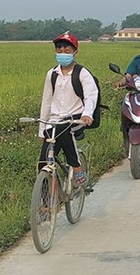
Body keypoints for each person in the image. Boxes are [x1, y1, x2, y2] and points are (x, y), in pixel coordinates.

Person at [38, 31, 98, 186]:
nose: (62, 54)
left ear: (75, 53)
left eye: (67, 51)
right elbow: (46, 101)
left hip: (77, 117)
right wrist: (42, 128)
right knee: (43, 162)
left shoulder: (82, 73)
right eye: (59, 51)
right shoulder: (52, 74)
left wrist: (87, 114)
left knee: (63, 129)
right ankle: (46, 203)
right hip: (55, 120)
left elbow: (91, 95)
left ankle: (77, 168)